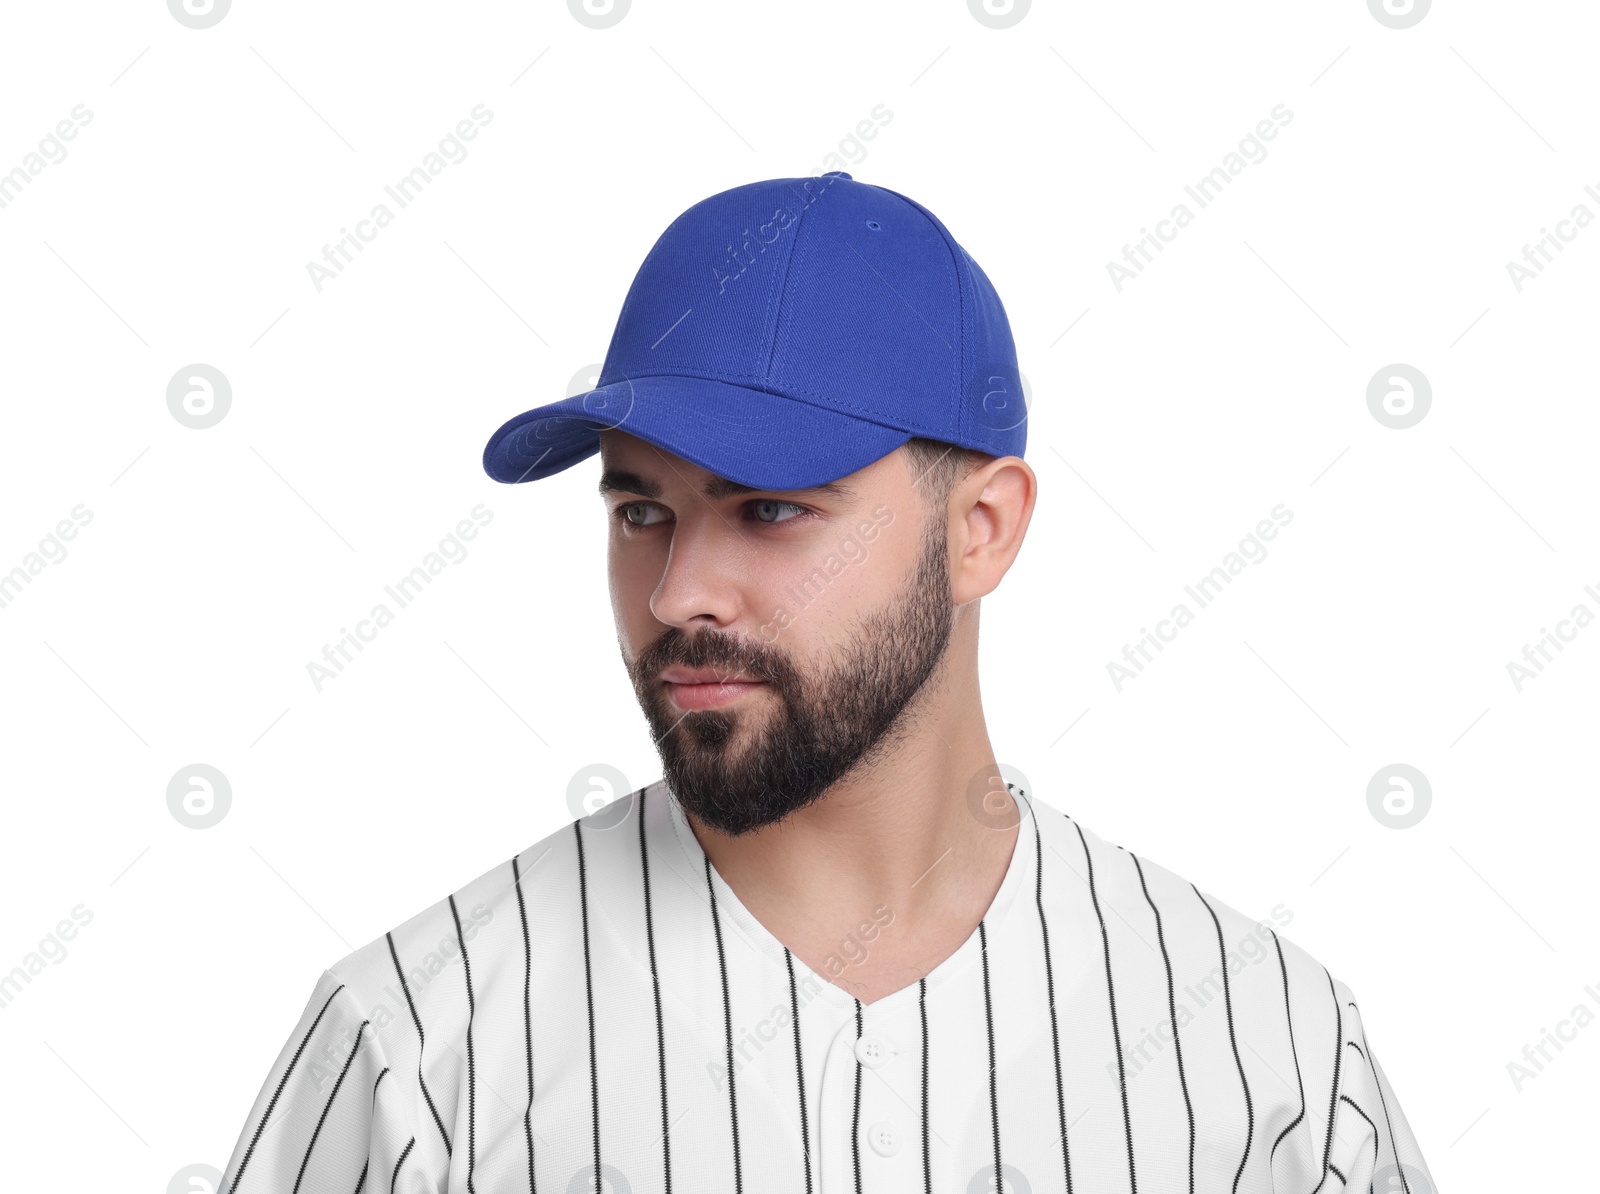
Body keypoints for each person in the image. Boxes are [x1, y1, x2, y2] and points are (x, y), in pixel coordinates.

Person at [218, 172, 1435, 1194]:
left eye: (769, 509)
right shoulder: (424, 1046)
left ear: (982, 530)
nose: (678, 593)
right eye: (642, 509)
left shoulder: (1269, 1050)